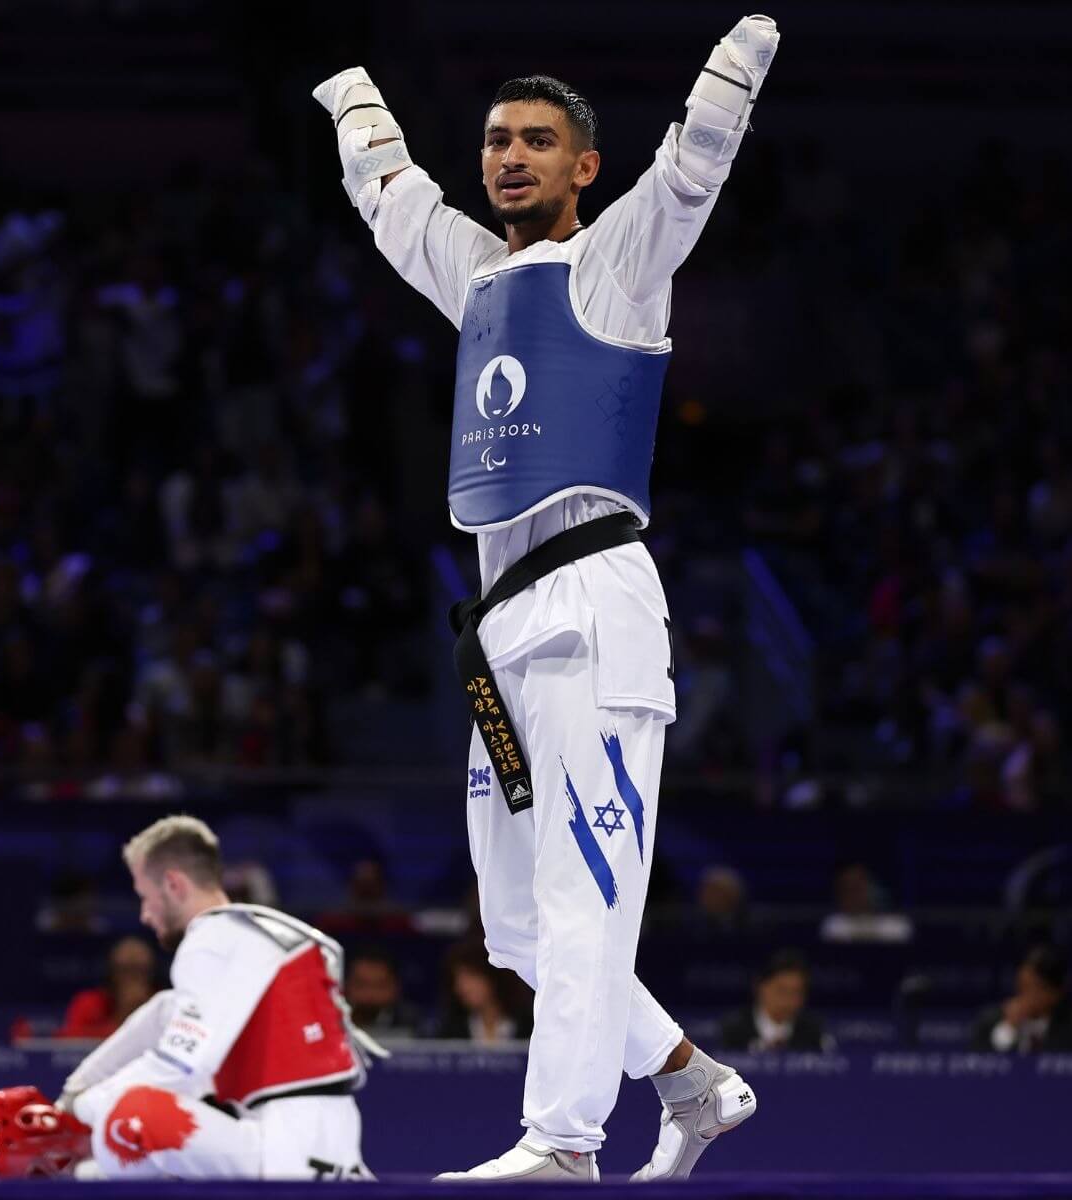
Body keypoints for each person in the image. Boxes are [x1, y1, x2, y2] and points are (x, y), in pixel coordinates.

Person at [312, 16, 780, 1182]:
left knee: (585, 896)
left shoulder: (621, 260)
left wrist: (739, 60)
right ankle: (690, 1080)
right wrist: (349, 87)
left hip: (594, 608)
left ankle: (563, 1145)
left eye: (537, 141)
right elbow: (392, 202)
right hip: (501, 631)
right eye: (495, 141)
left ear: (584, 166)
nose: (509, 157)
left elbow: (693, 171)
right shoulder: (477, 279)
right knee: (519, 924)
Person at [0, 816, 384, 1181]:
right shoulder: (256, 933)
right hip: (318, 1134)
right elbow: (163, 1014)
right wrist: (74, 1094)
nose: (145, 915)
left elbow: (182, 1064)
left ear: (173, 883)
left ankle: (82, 1175)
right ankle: (85, 1173)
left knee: (130, 1115)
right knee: (128, 1123)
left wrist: (80, 1114)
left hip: (287, 1145)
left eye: (145, 897)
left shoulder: (212, 939)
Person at [969, 945, 1072, 1055]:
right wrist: (1007, 1029)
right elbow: (979, 1074)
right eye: (1020, 987)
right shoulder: (991, 1022)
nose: (1023, 996)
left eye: (1031, 988)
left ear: (1055, 993)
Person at [717, 950, 833, 1053]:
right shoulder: (732, 1032)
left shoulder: (814, 1034)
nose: (788, 1000)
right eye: (781, 991)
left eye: (796, 992)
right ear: (760, 987)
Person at [58, 936, 159, 1039]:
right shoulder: (88, 1003)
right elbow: (70, 1044)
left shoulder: (163, 1004)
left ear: (151, 973)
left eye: (140, 970)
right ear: (111, 973)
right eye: (125, 970)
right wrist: (122, 1015)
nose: (132, 977)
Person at [436, 939, 534, 1044]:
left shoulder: (530, 1024)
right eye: (458, 979)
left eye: (471, 976)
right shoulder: (450, 1030)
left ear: (492, 976)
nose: (462, 987)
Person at [341, 948, 423, 1038]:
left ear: (395, 987)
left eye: (379, 986)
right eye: (361, 985)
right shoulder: (332, 1020)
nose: (370, 994)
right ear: (346, 986)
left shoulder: (412, 1022)